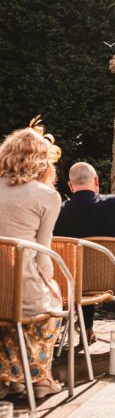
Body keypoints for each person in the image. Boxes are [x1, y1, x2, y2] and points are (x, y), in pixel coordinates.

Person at [0, 126, 63, 399]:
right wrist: (51, 284)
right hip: (22, 286)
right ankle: (40, 378)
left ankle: (10, 377)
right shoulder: (47, 195)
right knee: (54, 304)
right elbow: (43, 254)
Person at [54, 162, 115, 339]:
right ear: (96, 180)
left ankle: (86, 329)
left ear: (71, 186)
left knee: (83, 272)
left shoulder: (62, 210)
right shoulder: (113, 203)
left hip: (76, 280)